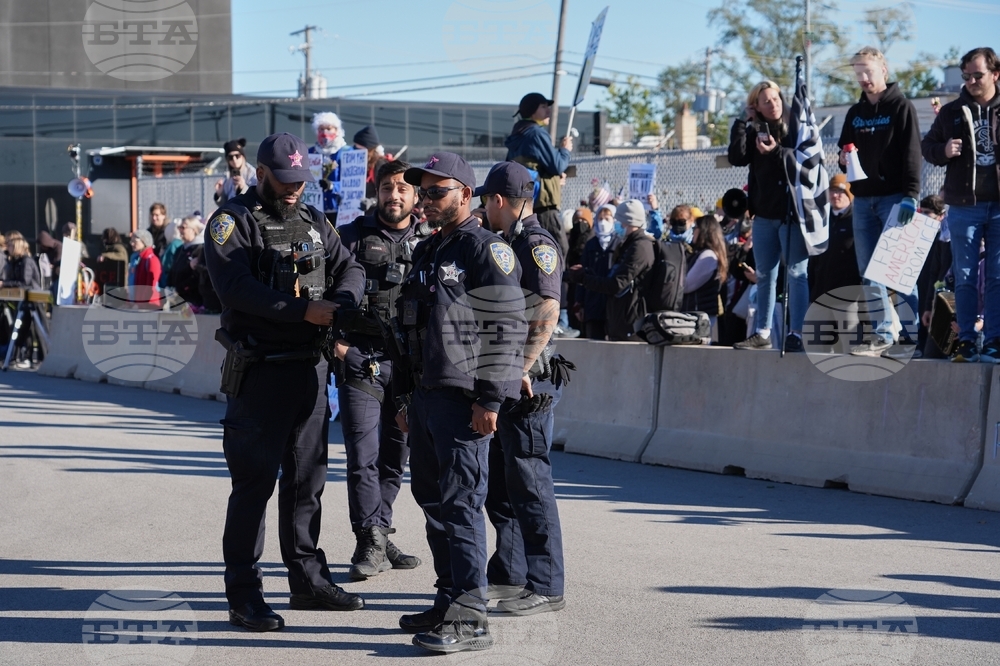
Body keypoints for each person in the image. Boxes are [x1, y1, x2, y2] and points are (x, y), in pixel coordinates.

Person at [203, 132, 367, 632]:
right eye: (285, 180)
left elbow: (351, 266)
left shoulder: (315, 220)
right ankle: (244, 595)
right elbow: (236, 288)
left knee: (307, 484)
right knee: (254, 487)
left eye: (301, 180)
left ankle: (307, 581)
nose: (294, 189)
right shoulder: (231, 222)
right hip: (261, 374)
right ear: (261, 174)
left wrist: (342, 303)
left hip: (311, 372)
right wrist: (303, 310)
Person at [393, 152, 527, 654]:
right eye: (422, 192)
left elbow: (506, 326)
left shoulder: (484, 250)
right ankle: (448, 598)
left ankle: (471, 616)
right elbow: (410, 330)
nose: (425, 200)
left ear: (466, 195)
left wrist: (491, 397)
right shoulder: (429, 251)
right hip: (427, 398)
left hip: (465, 400)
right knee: (434, 505)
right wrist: (406, 396)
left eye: (436, 191)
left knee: (464, 505)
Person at [476, 161, 567, 617]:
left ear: (498, 200)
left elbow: (547, 309)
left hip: (531, 381)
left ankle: (547, 585)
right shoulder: (507, 241)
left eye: (484, 201)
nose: (482, 210)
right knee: (503, 482)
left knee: (530, 483)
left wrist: (520, 367)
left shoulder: (534, 243)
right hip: (512, 377)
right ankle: (510, 571)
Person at [333, 159, 428, 580]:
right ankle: (369, 538)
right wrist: (338, 343)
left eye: (403, 189)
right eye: (388, 187)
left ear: (415, 195)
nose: (395, 195)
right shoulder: (350, 237)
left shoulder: (431, 240)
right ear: (377, 191)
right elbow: (325, 288)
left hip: (409, 368)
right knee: (362, 456)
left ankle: (379, 532)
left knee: (395, 460)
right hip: (362, 359)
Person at [838, 47, 923, 357]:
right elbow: (844, 154)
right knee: (869, 270)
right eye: (858, 73)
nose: (863, 78)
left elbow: (913, 154)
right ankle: (883, 332)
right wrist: (843, 158)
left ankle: (912, 337)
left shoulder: (901, 107)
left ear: (883, 71)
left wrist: (911, 196)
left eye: (868, 72)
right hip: (862, 200)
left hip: (894, 199)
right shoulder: (854, 113)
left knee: (898, 270)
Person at [921, 47, 1000, 363]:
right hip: (964, 204)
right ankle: (966, 340)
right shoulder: (952, 111)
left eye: (978, 75)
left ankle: (994, 340)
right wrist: (943, 150)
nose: (971, 81)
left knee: (996, 275)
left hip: (998, 206)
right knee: (965, 275)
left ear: (995, 74)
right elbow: (927, 147)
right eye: (967, 76)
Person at [729, 80, 809, 353]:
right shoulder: (755, 131)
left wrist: (775, 151)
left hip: (792, 214)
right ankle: (762, 330)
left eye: (776, 99)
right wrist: (742, 121)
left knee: (797, 273)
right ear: (757, 107)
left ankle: (796, 332)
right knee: (765, 275)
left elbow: (804, 164)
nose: (773, 105)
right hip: (764, 215)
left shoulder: (795, 128)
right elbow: (737, 157)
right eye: (766, 101)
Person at [565, 200, 655, 341]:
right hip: (617, 317)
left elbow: (617, 284)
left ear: (628, 221)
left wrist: (584, 278)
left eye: (617, 220)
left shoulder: (639, 247)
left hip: (630, 321)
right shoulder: (628, 244)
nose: (616, 224)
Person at [505, 92, 573, 257]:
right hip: (543, 206)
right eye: (543, 106)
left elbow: (531, 168)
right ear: (532, 110)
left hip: (524, 206)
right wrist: (565, 150)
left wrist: (554, 181)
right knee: (556, 251)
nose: (548, 111)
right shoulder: (536, 133)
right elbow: (557, 165)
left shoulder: (517, 135)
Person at [808, 174, 861, 303]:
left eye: (840, 191)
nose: (835, 195)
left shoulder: (857, 220)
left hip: (848, 295)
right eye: (832, 190)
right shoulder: (822, 220)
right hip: (821, 293)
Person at [573, 204, 621, 340]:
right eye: (600, 219)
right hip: (593, 303)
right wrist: (579, 303)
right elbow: (581, 274)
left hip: (613, 305)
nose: (603, 222)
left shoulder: (619, 243)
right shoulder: (591, 244)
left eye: (607, 218)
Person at [682, 215, 728, 332]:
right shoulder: (701, 253)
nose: (692, 231)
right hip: (697, 316)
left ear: (704, 232)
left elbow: (686, 285)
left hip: (700, 318)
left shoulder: (707, 257)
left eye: (695, 228)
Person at [303, 112, 348, 223]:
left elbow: (352, 184)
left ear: (337, 130)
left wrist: (333, 186)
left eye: (329, 128)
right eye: (321, 129)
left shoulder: (346, 152)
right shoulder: (310, 152)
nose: (325, 133)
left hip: (339, 210)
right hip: (315, 209)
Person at [168, 216, 206, 306]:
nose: (180, 230)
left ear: (193, 230)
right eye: (179, 227)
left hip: (192, 299)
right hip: (177, 297)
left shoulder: (200, 249)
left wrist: (180, 289)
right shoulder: (180, 249)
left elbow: (196, 276)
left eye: (183, 227)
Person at [215, 138, 258, 206]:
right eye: (230, 157)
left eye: (237, 156)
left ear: (243, 157)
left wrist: (243, 188)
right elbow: (224, 205)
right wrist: (219, 194)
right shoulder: (227, 177)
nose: (234, 159)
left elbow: (256, 202)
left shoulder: (253, 175)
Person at [127, 230, 161, 307]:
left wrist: (142, 304)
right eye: (131, 241)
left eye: (135, 241)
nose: (132, 244)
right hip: (138, 304)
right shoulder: (137, 259)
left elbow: (151, 286)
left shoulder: (151, 260)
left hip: (149, 306)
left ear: (144, 241)